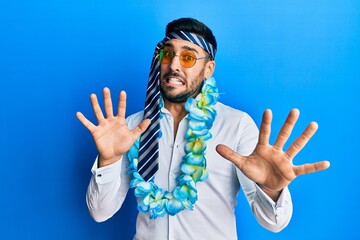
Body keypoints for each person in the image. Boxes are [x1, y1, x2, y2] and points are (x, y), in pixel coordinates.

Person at [76, 17, 330, 240]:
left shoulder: (237, 125)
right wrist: (108, 160)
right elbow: (100, 212)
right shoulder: (131, 128)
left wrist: (271, 189)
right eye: (167, 54)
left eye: (188, 57)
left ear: (208, 69)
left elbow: (273, 223)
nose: (174, 65)